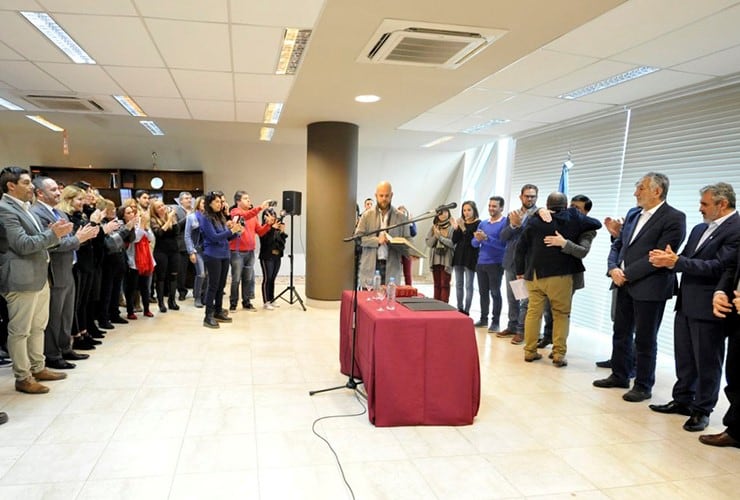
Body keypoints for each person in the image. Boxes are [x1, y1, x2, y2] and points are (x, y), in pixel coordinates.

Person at [648, 183, 740, 431]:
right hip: (686, 301)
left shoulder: (736, 229)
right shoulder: (700, 228)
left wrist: (677, 261)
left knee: (707, 361)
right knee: (685, 356)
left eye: (704, 204)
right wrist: (670, 259)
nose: (700, 208)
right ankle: (682, 400)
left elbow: (719, 267)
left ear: (722, 204)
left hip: (711, 305)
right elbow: (686, 259)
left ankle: (702, 409)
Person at [594, 172, 686, 402]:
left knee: (645, 338)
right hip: (622, 282)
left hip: (651, 286)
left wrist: (625, 273)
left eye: (641, 188)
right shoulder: (634, 213)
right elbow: (619, 244)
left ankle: (643, 385)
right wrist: (613, 268)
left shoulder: (674, 218)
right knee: (621, 332)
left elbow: (659, 256)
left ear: (657, 191)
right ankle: (619, 374)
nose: (636, 193)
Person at [0, 166, 73, 394]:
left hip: (39, 275)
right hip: (21, 278)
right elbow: (22, 244)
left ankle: (38, 366)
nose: (31, 186)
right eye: (25, 182)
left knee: (38, 326)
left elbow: (38, 240)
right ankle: (23, 376)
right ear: (11, 186)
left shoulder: (26, 208)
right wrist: (53, 235)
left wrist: (52, 234)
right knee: (20, 330)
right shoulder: (5, 209)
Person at [516, 192, 602, 366]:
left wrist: (519, 271)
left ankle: (530, 352)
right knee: (561, 315)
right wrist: (573, 213)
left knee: (533, 313)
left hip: (534, 275)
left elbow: (520, 247)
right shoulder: (575, 219)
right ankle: (558, 355)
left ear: (546, 205)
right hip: (560, 276)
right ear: (566, 206)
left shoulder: (534, 221)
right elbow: (597, 223)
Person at [30, 177, 97, 368]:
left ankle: (65, 347)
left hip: (68, 266)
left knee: (67, 312)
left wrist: (78, 238)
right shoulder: (37, 213)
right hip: (54, 269)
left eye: (58, 189)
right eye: (53, 190)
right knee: (55, 314)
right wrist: (78, 238)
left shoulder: (59, 212)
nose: (58, 192)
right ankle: (52, 353)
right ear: (40, 193)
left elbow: (65, 239)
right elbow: (53, 243)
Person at [537, 194, 598, 348]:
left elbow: (582, 251)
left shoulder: (587, 228)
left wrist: (564, 243)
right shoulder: (560, 220)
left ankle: (559, 346)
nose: (571, 210)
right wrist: (540, 210)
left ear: (585, 213)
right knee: (547, 309)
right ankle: (547, 336)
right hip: (548, 272)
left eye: (577, 208)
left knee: (561, 313)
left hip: (569, 275)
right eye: (570, 206)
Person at [704, 240, 740, 448]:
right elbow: (733, 266)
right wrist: (720, 292)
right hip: (736, 314)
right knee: (735, 375)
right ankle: (736, 431)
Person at [499, 184, 539, 344]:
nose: (529, 199)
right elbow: (503, 236)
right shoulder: (512, 215)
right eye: (527, 196)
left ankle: (521, 331)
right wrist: (513, 224)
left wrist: (521, 226)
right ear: (521, 197)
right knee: (512, 298)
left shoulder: (540, 215)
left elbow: (533, 238)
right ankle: (512, 325)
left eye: (532, 196)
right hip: (511, 262)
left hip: (528, 265)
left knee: (525, 300)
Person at [198, 191, 241, 328]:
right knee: (213, 286)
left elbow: (226, 237)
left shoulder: (220, 216)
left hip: (224, 254)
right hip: (212, 254)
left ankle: (218, 311)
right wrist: (231, 231)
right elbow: (214, 237)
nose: (220, 204)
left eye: (221, 202)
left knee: (221, 286)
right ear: (209, 203)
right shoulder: (206, 217)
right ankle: (208, 315)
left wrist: (237, 232)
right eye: (217, 201)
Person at [355, 181, 411, 285]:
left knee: (389, 300)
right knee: (369, 300)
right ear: (376, 195)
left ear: (392, 195)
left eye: (387, 195)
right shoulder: (366, 215)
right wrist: (377, 240)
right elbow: (358, 238)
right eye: (381, 196)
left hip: (392, 268)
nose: (384, 199)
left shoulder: (401, 217)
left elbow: (408, 240)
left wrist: (409, 251)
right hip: (370, 267)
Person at [229, 192, 271, 311]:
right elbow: (244, 216)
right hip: (237, 252)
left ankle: (246, 302)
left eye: (249, 198)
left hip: (250, 252)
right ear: (238, 201)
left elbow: (260, 232)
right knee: (236, 279)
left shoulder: (253, 216)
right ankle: (233, 304)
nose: (249, 200)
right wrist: (260, 208)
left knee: (248, 279)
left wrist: (268, 224)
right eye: (245, 198)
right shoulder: (235, 212)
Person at [471, 196, 507, 333]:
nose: (491, 208)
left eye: (495, 206)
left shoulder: (504, 223)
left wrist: (486, 238)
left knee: (495, 293)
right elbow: (474, 244)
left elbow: (503, 246)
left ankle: (496, 322)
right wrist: (478, 239)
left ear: (501, 208)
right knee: (482, 293)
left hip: (496, 263)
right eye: (490, 205)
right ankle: (483, 319)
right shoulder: (483, 223)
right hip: (481, 262)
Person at [122, 200, 155, 320]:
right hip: (132, 261)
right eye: (129, 212)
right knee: (131, 287)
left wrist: (145, 227)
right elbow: (135, 239)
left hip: (145, 260)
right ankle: (130, 310)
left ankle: (146, 309)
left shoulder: (140, 225)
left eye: (133, 212)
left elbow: (150, 237)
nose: (132, 214)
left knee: (145, 287)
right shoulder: (124, 227)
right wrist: (141, 227)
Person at [150, 199, 181, 313]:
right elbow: (159, 233)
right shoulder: (153, 220)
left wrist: (172, 220)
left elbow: (176, 232)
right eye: (159, 207)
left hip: (173, 250)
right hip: (160, 251)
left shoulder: (171, 217)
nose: (162, 208)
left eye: (162, 205)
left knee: (173, 275)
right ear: (154, 210)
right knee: (161, 277)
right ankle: (161, 302)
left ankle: (172, 301)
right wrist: (168, 220)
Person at [451, 201, 480, 315]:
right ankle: (459, 307)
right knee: (459, 283)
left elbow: (471, 241)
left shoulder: (478, 223)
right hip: (459, 256)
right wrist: (456, 228)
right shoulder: (461, 222)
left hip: (470, 256)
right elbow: (454, 240)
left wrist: (463, 227)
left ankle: (467, 310)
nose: (466, 213)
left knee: (469, 285)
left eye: (469, 210)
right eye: (464, 210)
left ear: (474, 210)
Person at [258, 209, 288, 310]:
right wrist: (271, 229)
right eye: (270, 215)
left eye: (274, 215)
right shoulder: (263, 228)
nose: (273, 217)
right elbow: (266, 242)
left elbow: (282, 243)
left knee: (273, 279)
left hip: (277, 256)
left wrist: (282, 232)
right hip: (266, 256)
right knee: (267, 279)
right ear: (265, 217)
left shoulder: (276, 228)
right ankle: (266, 301)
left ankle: (271, 299)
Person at [425, 208, 455, 302]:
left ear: (448, 213)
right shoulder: (434, 227)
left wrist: (440, 238)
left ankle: (444, 307)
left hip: (446, 259)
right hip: (435, 259)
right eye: (440, 213)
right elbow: (429, 243)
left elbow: (452, 244)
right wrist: (436, 236)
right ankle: (436, 305)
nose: (442, 214)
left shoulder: (452, 227)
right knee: (436, 284)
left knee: (445, 284)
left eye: (445, 212)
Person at [185, 196, 207, 308]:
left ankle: (204, 296)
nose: (205, 205)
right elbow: (187, 236)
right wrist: (191, 252)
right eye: (203, 203)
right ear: (198, 204)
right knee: (201, 273)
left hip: (208, 249)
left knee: (207, 275)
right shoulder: (191, 217)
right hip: (197, 249)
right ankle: (197, 297)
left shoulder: (209, 217)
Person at [173, 191, 193, 300]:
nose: (189, 200)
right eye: (186, 198)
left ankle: (198, 291)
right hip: (182, 246)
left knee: (196, 271)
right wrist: (187, 218)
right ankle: (181, 291)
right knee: (182, 271)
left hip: (194, 245)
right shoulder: (176, 211)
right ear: (181, 201)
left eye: (190, 198)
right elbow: (176, 228)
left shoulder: (195, 211)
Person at [397, 205, 417, 286]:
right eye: (400, 212)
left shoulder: (410, 222)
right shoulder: (394, 222)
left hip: (407, 250)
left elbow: (414, 233)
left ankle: (409, 288)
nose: (402, 213)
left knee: (407, 272)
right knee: (396, 271)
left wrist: (410, 223)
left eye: (404, 212)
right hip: (397, 249)